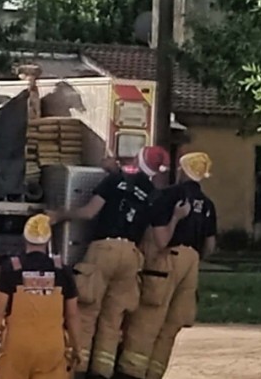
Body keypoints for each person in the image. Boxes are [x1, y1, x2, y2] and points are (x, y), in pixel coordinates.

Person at [47, 146, 170, 379]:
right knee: (113, 319)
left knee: (87, 310)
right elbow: (155, 236)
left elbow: (89, 212)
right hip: (132, 256)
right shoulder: (154, 195)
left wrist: (60, 214)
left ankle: (78, 369)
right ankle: (101, 372)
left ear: (138, 158)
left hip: (104, 250)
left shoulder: (114, 181)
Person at [115, 152, 217, 379]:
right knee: (170, 327)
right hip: (192, 266)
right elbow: (210, 246)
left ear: (181, 170)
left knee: (147, 321)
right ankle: (154, 373)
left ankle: (130, 372)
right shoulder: (208, 204)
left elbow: (160, 239)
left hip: (166, 260)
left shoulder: (168, 196)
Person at [0, 214, 82, 379]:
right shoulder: (62, 270)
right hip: (52, 349)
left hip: (17, 348)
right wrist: (77, 349)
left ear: (24, 238)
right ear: (48, 239)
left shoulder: (11, 268)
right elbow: (72, 315)